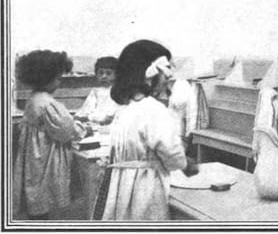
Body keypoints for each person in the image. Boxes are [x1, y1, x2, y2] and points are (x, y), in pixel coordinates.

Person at [99, 39, 196, 220]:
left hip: (122, 184)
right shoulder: (153, 109)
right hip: (145, 186)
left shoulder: (125, 108)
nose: (169, 76)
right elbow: (171, 151)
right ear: (149, 74)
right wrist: (185, 164)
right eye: (166, 69)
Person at [13, 50, 93, 220]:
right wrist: (83, 128)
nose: (59, 82)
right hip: (46, 156)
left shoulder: (34, 98)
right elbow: (66, 130)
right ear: (46, 78)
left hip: (35, 154)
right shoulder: (48, 103)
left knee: (34, 187)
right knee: (45, 188)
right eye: (58, 78)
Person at [74, 56, 119, 125]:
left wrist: (90, 117)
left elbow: (110, 116)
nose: (104, 76)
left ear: (117, 75)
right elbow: (86, 109)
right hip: (93, 124)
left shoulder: (117, 92)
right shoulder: (95, 92)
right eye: (100, 73)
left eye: (108, 73)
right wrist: (79, 116)